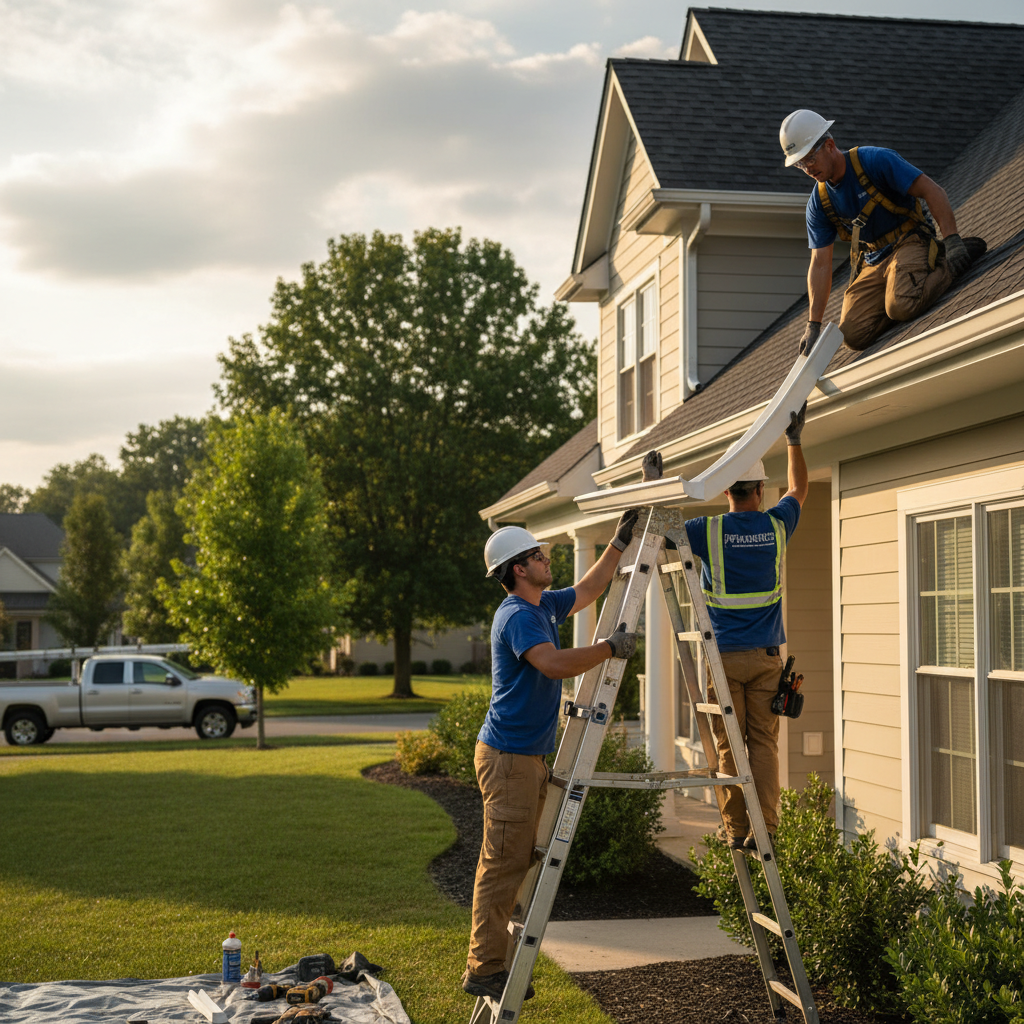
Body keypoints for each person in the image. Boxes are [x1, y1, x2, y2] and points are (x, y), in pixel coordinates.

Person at [462, 514, 640, 1001]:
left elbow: (587, 589)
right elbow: (553, 664)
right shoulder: (518, 615)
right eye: (539, 555)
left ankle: (492, 957)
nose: (547, 559)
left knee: (515, 858)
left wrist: (620, 543)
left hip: (526, 757)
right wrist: (608, 648)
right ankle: (484, 966)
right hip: (509, 758)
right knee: (501, 863)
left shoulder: (541, 605)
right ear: (518, 569)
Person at [645, 404, 808, 851]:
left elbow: (660, 527)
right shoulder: (777, 526)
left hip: (723, 658)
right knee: (764, 747)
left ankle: (736, 829)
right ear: (759, 489)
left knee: (727, 745)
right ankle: (766, 828)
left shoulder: (708, 531)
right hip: (766, 661)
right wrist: (794, 437)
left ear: (726, 493)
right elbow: (799, 487)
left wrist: (654, 485)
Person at [779, 109, 986, 354]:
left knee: (901, 305)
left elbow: (933, 191)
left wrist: (952, 240)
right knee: (852, 336)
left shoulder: (874, 160)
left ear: (830, 145)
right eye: (800, 164)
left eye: (810, 159)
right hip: (874, 260)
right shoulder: (819, 202)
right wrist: (813, 324)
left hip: (909, 241)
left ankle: (947, 264)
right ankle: (905, 290)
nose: (808, 169)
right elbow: (820, 263)